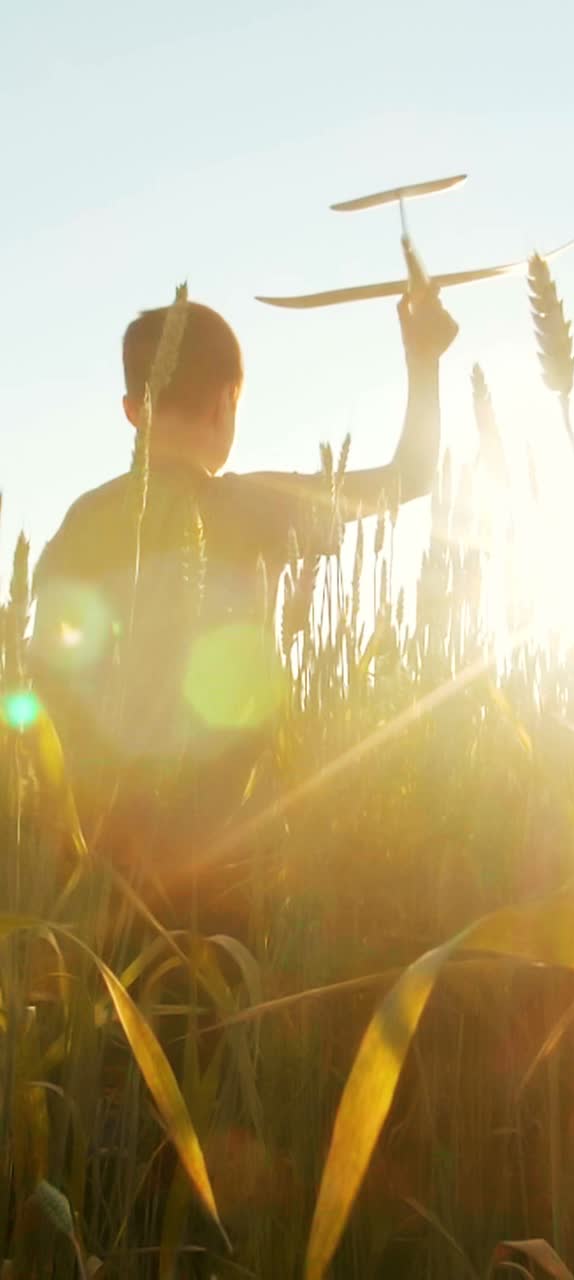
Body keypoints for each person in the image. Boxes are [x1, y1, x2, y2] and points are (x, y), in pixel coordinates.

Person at [30, 287, 458, 908]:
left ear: (131, 411)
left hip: (99, 865)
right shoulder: (254, 505)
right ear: (227, 403)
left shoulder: (82, 520)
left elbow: (45, 677)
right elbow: (409, 477)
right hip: (233, 855)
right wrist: (424, 360)